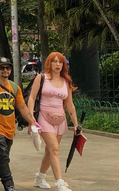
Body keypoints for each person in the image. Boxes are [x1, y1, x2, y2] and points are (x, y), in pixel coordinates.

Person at [0, 57, 37, 191]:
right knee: (3, 156)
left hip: (9, 129)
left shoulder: (15, 88)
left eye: (7, 68)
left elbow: (22, 108)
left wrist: (33, 122)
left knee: (1, 158)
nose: (5, 70)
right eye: (2, 68)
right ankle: (8, 184)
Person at [28, 52, 80, 191]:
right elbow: (32, 98)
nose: (57, 64)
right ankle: (60, 182)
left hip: (60, 119)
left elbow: (70, 105)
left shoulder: (66, 81)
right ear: (49, 63)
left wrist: (76, 124)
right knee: (55, 149)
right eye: (55, 61)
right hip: (43, 117)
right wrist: (31, 118)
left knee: (49, 151)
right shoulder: (42, 78)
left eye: (60, 62)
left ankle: (40, 176)